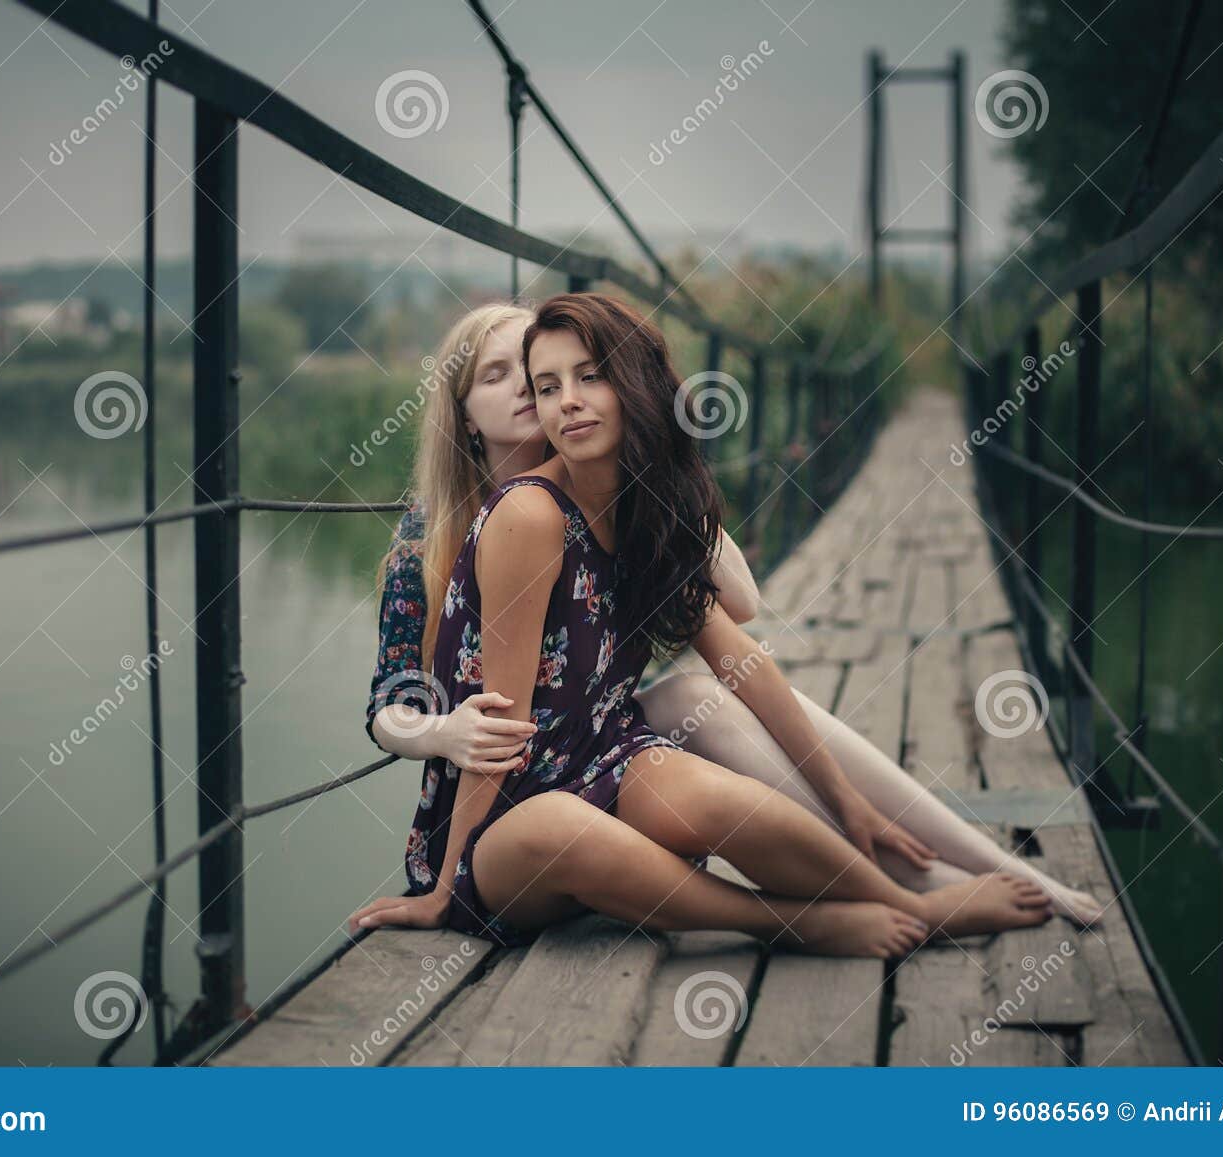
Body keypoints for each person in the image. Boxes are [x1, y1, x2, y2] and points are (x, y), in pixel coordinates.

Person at [348, 294, 1073, 953]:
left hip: (602, 758)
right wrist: (446, 887)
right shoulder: (505, 519)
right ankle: (796, 919)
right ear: (466, 413)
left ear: (628, 385)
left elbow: (740, 648)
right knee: (555, 825)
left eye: (585, 376)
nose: (558, 401)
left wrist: (845, 800)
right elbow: (489, 727)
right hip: (503, 829)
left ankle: (918, 897)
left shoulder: (632, 500)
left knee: (729, 799)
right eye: (540, 384)